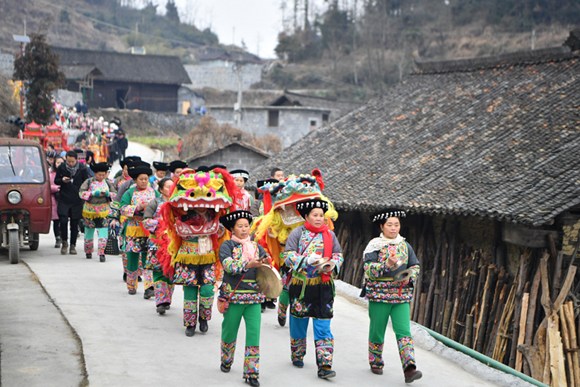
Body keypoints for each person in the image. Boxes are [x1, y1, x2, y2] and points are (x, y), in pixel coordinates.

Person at [283, 198, 343, 379]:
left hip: (323, 285)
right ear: (306, 216)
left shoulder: (330, 235)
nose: (318, 218)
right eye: (315, 215)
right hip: (302, 285)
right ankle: (298, 353)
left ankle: (324, 364)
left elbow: (338, 254)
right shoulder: (297, 234)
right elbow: (287, 256)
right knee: (299, 322)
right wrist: (305, 260)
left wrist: (332, 264)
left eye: (321, 215)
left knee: (323, 323)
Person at [362, 209, 422, 383]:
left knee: (404, 331)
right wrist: (385, 265)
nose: (394, 228)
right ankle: (376, 361)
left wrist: (410, 275)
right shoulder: (375, 245)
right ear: (381, 226)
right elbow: (368, 269)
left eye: (396, 224)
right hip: (379, 295)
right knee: (377, 330)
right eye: (390, 225)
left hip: (401, 295)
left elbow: (415, 265)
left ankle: (409, 367)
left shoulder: (405, 245)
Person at [219, 210, 271, 387]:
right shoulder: (226, 246)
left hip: (254, 298)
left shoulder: (257, 247)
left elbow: (266, 264)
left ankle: (251, 372)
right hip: (234, 296)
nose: (244, 229)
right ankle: (226, 359)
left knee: (254, 334)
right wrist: (248, 264)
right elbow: (228, 266)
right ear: (232, 229)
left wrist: (267, 261)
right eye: (240, 226)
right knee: (229, 331)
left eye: (246, 226)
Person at [120, 162, 159, 295]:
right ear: (135, 180)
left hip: (149, 231)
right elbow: (123, 208)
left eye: (146, 179)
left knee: (148, 258)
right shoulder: (129, 193)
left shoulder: (154, 192)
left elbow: (161, 206)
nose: (143, 181)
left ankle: (149, 287)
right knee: (132, 257)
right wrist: (138, 208)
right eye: (141, 179)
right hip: (133, 229)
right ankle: (131, 284)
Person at [143, 177, 174, 304]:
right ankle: (161, 300)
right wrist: (161, 223)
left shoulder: (178, 204)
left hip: (173, 243)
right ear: (161, 190)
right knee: (158, 269)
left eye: (173, 186)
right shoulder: (155, 203)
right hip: (157, 242)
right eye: (168, 186)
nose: (171, 189)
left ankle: (167, 298)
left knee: (172, 271)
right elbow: (146, 221)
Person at [55, 150, 91, 255]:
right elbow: (56, 181)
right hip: (64, 198)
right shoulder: (61, 167)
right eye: (68, 161)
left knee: (75, 223)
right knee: (63, 220)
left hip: (77, 199)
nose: (70, 163)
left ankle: (72, 245)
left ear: (76, 160)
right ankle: (64, 242)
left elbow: (86, 182)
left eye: (72, 162)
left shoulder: (82, 169)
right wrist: (62, 179)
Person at [79, 162, 116, 262]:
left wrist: (108, 194)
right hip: (90, 211)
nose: (101, 176)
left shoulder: (108, 182)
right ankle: (88, 251)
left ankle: (102, 252)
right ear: (95, 174)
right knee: (89, 232)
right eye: (99, 175)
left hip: (104, 211)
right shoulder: (89, 181)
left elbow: (115, 194)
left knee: (103, 232)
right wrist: (91, 193)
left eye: (103, 175)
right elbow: (81, 193)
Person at [49, 155, 64, 248]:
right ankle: (57, 238)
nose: (59, 164)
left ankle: (63, 237)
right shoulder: (51, 174)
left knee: (64, 220)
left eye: (61, 163)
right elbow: (48, 186)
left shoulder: (67, 173)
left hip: (64, 199)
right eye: (58, 162)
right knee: (56, 221)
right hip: (54, 199)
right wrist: (57, 188)